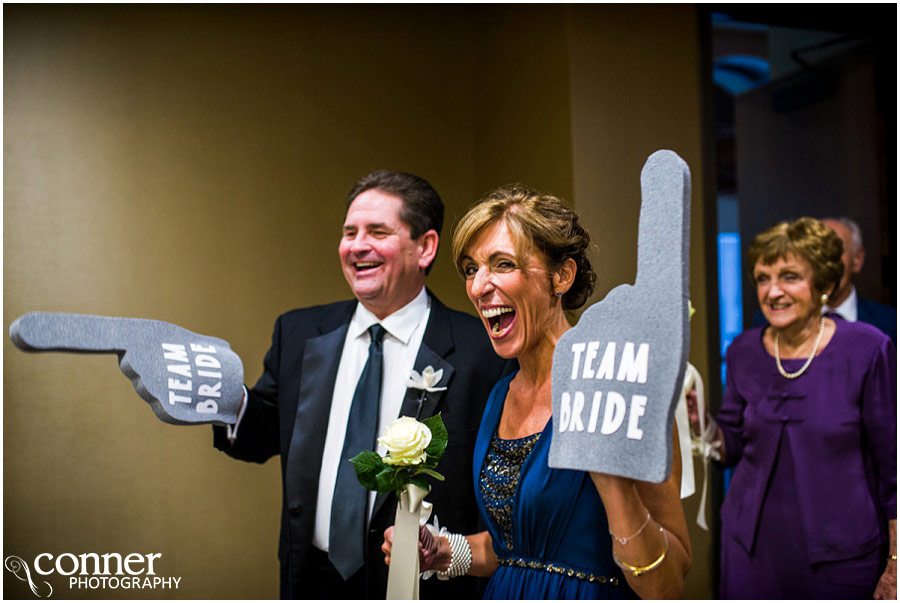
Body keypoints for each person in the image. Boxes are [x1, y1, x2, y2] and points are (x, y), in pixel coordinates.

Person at [213, 170, 512, 599]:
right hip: (310, 578)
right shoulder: (297, 334)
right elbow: (260, 434)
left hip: (421, 584)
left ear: (425, 247)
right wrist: (218, 397)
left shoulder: (480, 351)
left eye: (377, 231)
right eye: (349, 232)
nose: (357, 245)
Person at [384, 185, 691, 599]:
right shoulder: (500, 395)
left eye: (502, 264)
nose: (478, 287)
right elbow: (516, 548)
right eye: (471, 269)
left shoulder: (622, 387)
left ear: (561, 276)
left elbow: (667, 585)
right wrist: (444, 550)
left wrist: (611, 479)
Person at [692, 217, 896, 599]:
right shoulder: (743, 351)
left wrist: (897, 563)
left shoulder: (868, 349)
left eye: (789, 277)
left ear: (823, 283)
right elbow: (731, 444)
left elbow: (894, 471)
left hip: (842, 558)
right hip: (750, 553)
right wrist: (700, 424)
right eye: (763, 278)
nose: (772, 292)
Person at [753, 216, 896, 343]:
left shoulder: (890, 324)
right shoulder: (767, 322)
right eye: (814, 256)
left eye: (835, 255)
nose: (825, 265)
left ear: (857, 259)